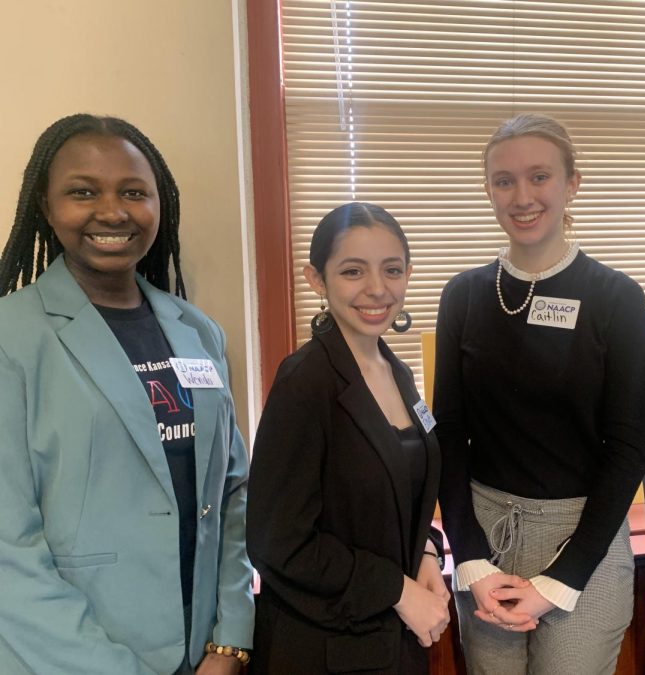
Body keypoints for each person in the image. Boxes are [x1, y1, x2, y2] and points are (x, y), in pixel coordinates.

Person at [0, 114, 255, 674]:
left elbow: (234, 491)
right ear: (46, 207)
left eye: (134, 192)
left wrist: (229, 641)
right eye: (83, 192)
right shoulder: (13, 338)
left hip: (204, 654)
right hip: (66, 657)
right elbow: (7, 551)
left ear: (159, 206)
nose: (112, 211)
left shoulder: (198, 331)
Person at [434, 113, 645, 674]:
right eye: (503, 181)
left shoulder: (616, 298)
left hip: (586, 538)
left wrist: (564, 577)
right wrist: (472, 560)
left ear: (571, 182)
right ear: (488, 190)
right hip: (486, 537)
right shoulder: (463, 295)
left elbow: (629, 447)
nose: (521, 196)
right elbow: (449, 436)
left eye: (539, 177)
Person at [246, 202, 450, 674]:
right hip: (321, 648)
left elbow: (395, 495)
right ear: (317, 279)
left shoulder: (395, 371)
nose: (377, 289)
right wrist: (396, 590)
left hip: (391, 643)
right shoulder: (305, 381)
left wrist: (424, 549)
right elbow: (277, 542)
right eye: (353, 271)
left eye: (392, 270)